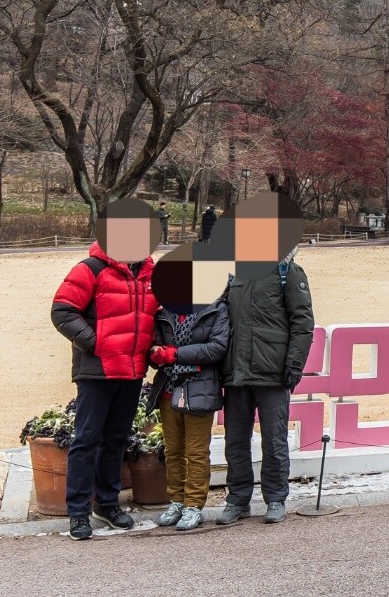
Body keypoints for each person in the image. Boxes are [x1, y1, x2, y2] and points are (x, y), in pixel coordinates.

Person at [51, 199, 160, 541]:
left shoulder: (150, 274)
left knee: (116, 439)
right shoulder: (90, 269)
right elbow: (63, 312)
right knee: (86, 440)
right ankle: (79, 511)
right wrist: (97, 343)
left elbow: (158, 317)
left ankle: (108, 503)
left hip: (132, 370)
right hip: (97, 371)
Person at [217, 193, 314, 526]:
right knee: (235, 441)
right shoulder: (234, 273)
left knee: (274, 440)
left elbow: (303, 322)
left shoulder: (287, 270)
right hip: (236, 373)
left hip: (273, 371)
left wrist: (294, 365)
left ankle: (275, 497)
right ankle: (238, 499)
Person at [146, 280, 230, 532]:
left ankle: (194, 505)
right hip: (169, 388)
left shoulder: (216, 309)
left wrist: (174, 355)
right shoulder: (165, 312)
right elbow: (155, 345)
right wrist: (155, 352)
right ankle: (176, 501)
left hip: (200, 388)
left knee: (195, 452)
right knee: (172, 450)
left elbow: (217, 348)